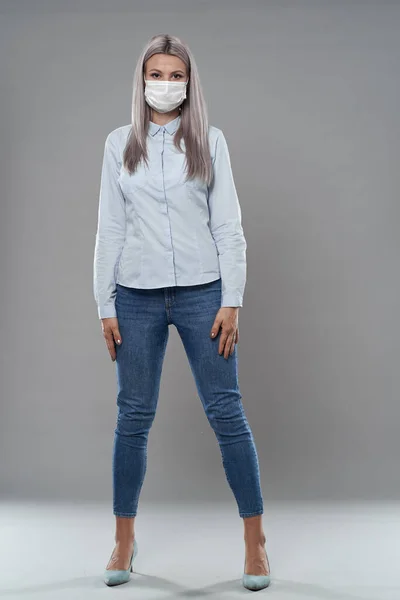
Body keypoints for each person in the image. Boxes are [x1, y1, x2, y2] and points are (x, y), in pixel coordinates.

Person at [93, 33, 271, 591]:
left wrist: (233, 300)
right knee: (133, 416)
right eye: (156, 73)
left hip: (203, 294)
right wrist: (105, 303)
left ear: (189, 83)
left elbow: (228, 226)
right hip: (136, 295)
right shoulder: (119, 144)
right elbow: (110, 229)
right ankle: (123, 537)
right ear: (140, 80)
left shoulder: (209, 142)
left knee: (226, 413)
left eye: (176, 75)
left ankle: (255, 541)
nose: (165, 84)